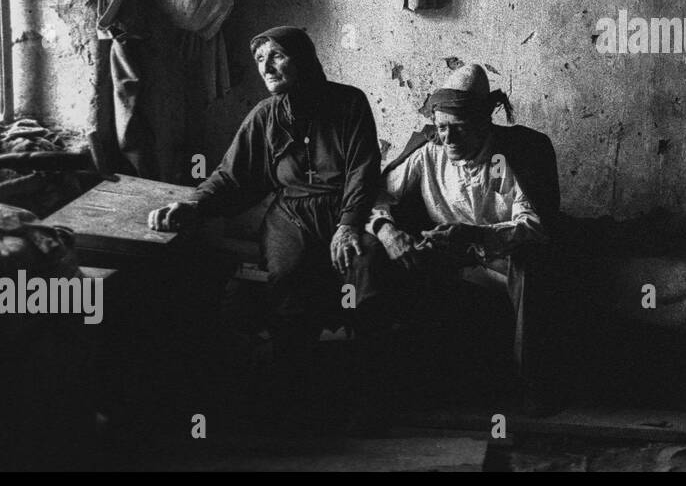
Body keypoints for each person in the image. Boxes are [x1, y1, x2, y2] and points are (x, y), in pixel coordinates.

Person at [147, 25, 384, 428]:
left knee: (367, 269)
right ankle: (294, 396)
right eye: (260, 60)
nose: (266, 66)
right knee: (289, 277)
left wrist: (348, 225)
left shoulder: (349, 102)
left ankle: (368, 393)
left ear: (303, 58)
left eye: (276, 55)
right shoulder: (265, 116)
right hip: (291, 213)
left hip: (346, 210)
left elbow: (364, 169)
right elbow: (231, 176)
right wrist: (193, 204)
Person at [367, 63, 561, 410]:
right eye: (441, 128)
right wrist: (386, 229)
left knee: (534, 267)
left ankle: (530, 384)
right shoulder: (430, 151)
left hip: (501, 257)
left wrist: (475, 235)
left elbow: (533, 224)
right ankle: (388, 386)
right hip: (447, 255)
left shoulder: (506, 157)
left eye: (459, 129)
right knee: (379, 260)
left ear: (484, 124)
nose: (448, 139)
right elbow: (376, 194)